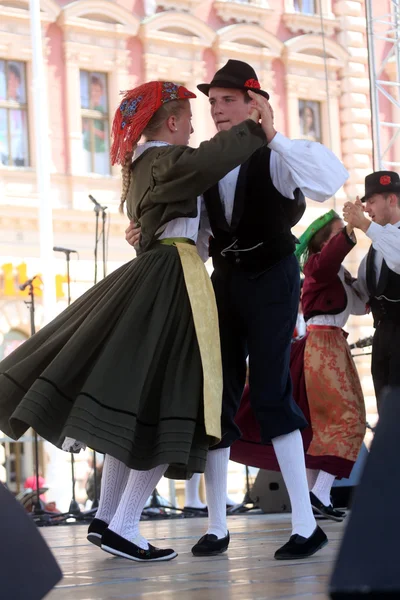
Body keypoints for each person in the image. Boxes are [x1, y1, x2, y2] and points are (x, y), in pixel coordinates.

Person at [0, 80, 274, 562]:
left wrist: (143, 231)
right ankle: (124, 523)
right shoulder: (166, 159)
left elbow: (159, 214)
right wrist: (256, 125)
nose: (196, 124)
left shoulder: (146, 165)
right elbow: (208, 161)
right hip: (174, 280)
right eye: (189, 117)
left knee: (140, 400)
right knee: (175, 401)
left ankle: (110, 518)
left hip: (158, 274)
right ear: (171, 122)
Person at [126, 60, 349, 560]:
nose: (217, 111)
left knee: (271, 393)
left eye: (228, 101)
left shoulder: (275, 153)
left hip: (272, 278)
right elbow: (201, 235)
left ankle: (305, 522)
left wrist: (273, 134)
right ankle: (218, 525)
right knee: (217, 399)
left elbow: (327, 182)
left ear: (253, 103)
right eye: (212, 104)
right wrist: (147, 235)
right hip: (224, 281)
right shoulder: (208, 160)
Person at [232, 210, 367, 521]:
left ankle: (314, 499)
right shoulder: (318, 266)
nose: (343, 237)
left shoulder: (332, 273)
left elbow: (359, 304)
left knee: (317, 426)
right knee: (349, 419)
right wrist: (352, 226)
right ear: (326, 242)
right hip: (324, 347)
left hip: (329, 345)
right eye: (337, 233)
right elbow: (332, 257)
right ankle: (319, 494)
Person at [343, 171, 400, 414]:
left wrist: (365, 226)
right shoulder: (374, 249)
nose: (366, 209)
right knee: (387, 418)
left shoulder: (383, 238)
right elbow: (360, 300)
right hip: (383, 340)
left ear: (392, 200)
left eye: (372, 201)